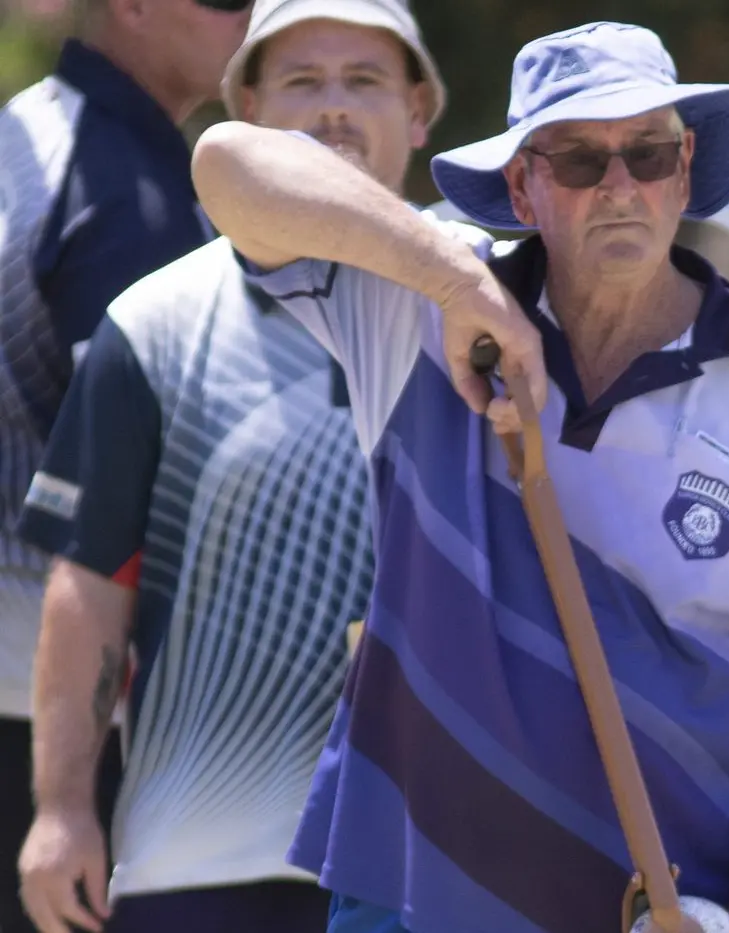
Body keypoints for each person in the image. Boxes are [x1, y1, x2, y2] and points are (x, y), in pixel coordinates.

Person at [191, 20, 729, 933]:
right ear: (522, 184)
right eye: (582, 161)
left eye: (649, 152)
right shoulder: (415, 311)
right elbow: (228, 161)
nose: (622, 186)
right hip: (413, 894)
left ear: (686, 166)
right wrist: (448, 276)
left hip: (653, 907)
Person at [12, 0, 444, 931]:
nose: (333, 109)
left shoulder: (489, 317)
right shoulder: (155, 320)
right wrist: (60, 809)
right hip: (196, 860)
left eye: (364, 80)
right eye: (299, 80)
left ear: (420, 112)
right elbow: (87, 582)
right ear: (241, 111)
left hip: (437, 860)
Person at [0, 1, 249, 930]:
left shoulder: (37, 133)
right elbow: (138, 496)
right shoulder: (118, 187)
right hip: (53, 720)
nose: (250, 14)